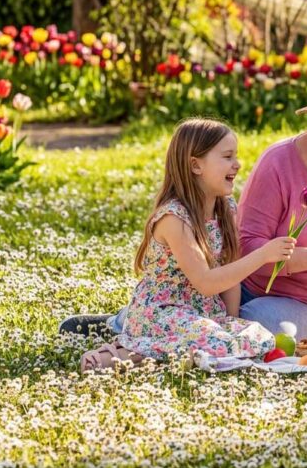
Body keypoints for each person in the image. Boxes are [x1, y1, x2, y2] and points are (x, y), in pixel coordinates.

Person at [63, 57, 307, 342]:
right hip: (241, 290)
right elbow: (242, 247)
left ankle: (147, 326)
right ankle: (131, 323)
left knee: (264, 332)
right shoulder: (279, 163)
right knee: (223, 321)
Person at [80, 118, 295, 371]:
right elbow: (205, 283)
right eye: (227, 157)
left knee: (259, 338)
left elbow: (231, 275)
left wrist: (230, 324)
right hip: (161, 313)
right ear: (195, 165)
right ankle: (126, 353)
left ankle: (154, 351)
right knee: (220, 343)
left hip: (202, 315)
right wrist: (262, 255)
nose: (236, 165)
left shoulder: (226, 209)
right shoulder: (174, 218)